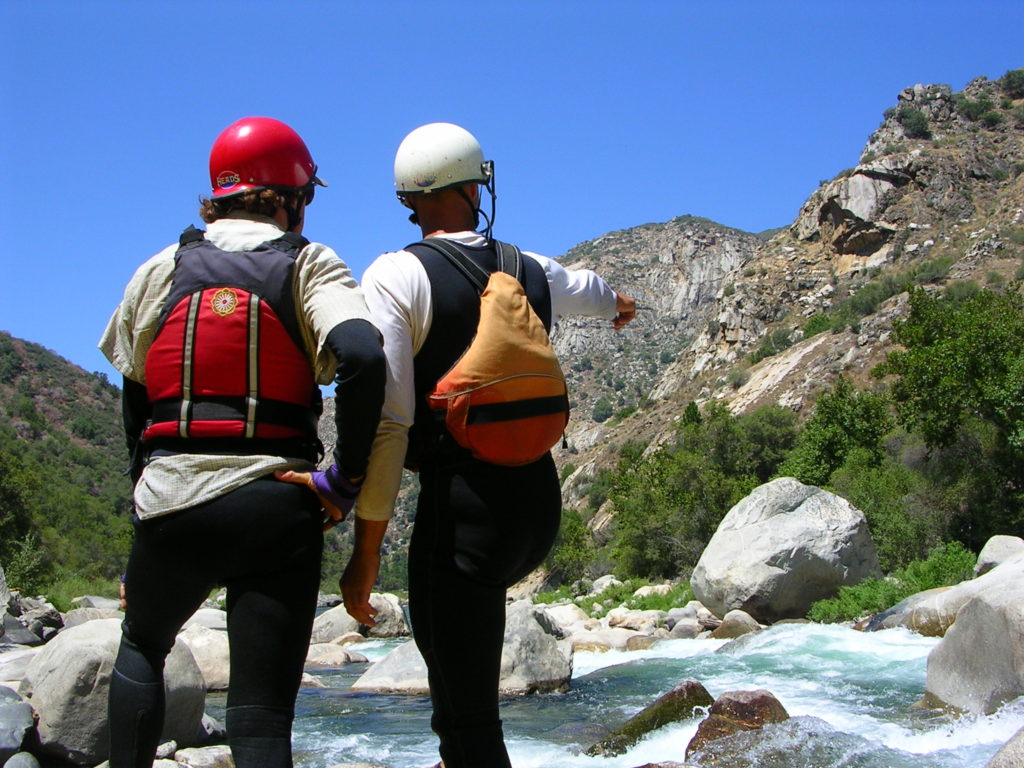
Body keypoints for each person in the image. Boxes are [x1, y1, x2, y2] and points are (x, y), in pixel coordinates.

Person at [99, 116, 386, 768]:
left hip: (172, 503)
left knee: (142, 646)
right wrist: (343, 481)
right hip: (274, 507)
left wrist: (143, 495)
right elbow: (364, 356)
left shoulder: (159, 268)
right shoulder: (309, 263)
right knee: (259, 719)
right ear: (292, 197)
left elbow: (135, 391)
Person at [356, 122, 636, 768]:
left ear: (408, 198)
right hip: (535, 507)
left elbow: (391, 425)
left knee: (466, 719)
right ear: (475, 187)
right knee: (459, 711)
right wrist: (619, 303)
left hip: (464, 518)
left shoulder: (396, 276)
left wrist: (366, 553)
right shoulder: (529, 267)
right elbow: (592, 291)